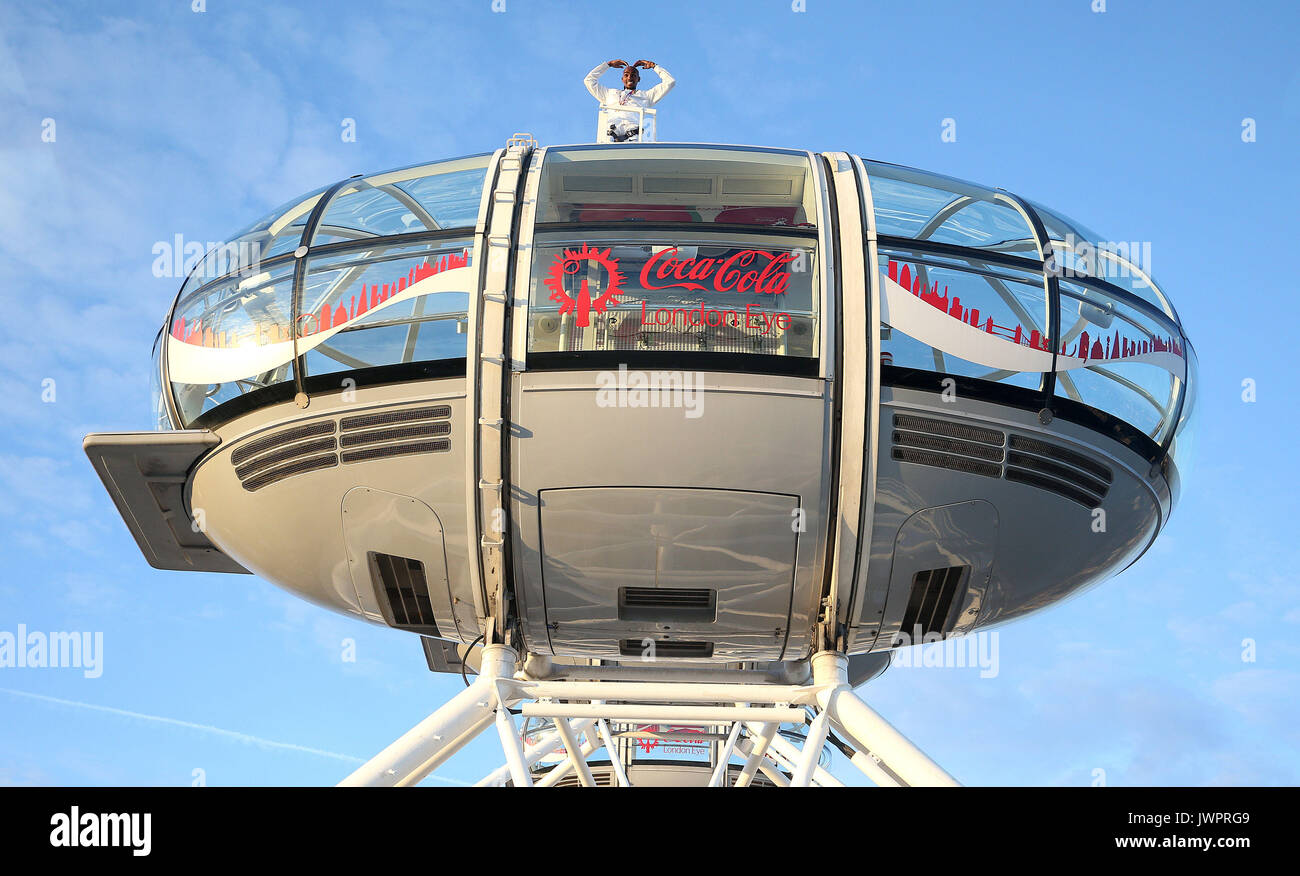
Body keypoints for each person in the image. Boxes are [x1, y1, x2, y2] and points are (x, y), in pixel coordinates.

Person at [585, 58, 675, 142]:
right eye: (626, 75)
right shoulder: (609, 93)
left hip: (633, 136)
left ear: (638, 79)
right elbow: (589, 81)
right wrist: (608, 65)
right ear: (622, 79)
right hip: (611, 133)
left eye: (633, 75)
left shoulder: (646, 96)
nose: (629, 77)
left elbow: (670, 82)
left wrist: (654, 66)